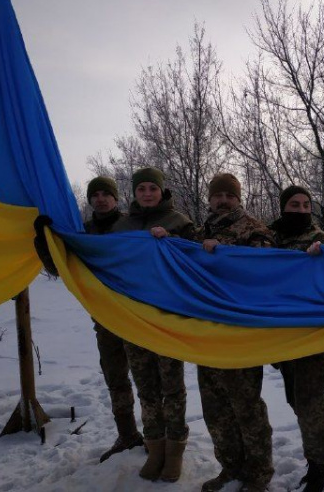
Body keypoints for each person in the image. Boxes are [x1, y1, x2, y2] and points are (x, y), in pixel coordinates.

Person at [32, 176, 145, 463]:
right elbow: (59, 268)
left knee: (149, 381)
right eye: (95, 194)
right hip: (105, 318)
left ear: (116, 198)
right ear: (90, 200)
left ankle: (158, 437)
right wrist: (44, 241)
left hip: (138, 315)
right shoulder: (83, 233)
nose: (101, 199)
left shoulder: (132, 226)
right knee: (115, 378)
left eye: (107, 193)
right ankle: (128, 435)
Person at [112, 167, 195, 482]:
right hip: (134, 319)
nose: (147, 193)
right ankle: (155, 447)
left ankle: (175, 451)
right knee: (146, 386)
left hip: (167, 317)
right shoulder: (122, 226)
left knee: (172, 387)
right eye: (141, 188)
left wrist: (171, 241)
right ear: (134, 192)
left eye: (152, 188)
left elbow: (197, 258)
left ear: (162, 191)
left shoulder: (179, 222)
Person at [197, 173, 275, 492]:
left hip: (240, 333)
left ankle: (258, 474)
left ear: (238, 198)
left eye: (230, 195)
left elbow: (263, 263)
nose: (224, 200)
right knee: (215, 408)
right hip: (206, 332)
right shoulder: (200, 232)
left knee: (246, 407)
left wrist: (224, 248)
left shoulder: (253, 228)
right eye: (218, 195)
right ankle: (230, 467)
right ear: (210, 199)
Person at [268, 186, 324, 492]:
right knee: (297, 400)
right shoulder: (270, 238)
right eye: (294, 204)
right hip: (282, 335)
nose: (300, 209)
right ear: (284, 207)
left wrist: (316, 259)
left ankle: (319, 469)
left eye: (306, 204)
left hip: (312, 335)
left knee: (310, 402)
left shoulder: (319, 238)